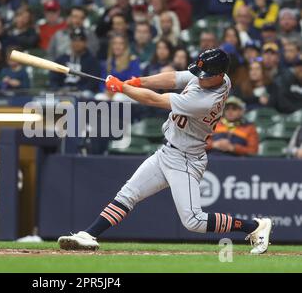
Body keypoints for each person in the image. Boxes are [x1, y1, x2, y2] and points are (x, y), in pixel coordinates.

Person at [58, 48, 273, 255]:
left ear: (219, 75)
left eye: (204, 75)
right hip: (167, 152)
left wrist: (122, 88)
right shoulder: (215, 78)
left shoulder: (204, 101)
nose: (198, 77)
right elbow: (173, 78)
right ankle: (88, 235)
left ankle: (254, 226)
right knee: (128, 194)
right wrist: (139, 81)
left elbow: (154, 100)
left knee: (194, 221)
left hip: (187, 159)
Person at [49, 27, 100, 94]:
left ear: (85, 42)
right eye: (74, 40)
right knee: (49, 96)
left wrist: (80, 90)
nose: (77, 43)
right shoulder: (62, 59)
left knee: (86, 94)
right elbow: (53, 78)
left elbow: (93, 82)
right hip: (63, 92)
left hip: (82, 93)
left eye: (80, 40)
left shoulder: (92, 61)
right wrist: (58, 89)